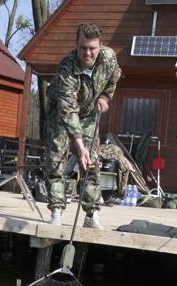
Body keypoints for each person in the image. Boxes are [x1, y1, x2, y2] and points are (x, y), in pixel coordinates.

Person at [45, 23, 121, 227]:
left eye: (92, 48)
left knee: (91, 162)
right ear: (76, 45)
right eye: (83, 48)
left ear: (100, 45)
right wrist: (80, 148)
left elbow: (114, 78)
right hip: (61, 114)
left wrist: (105, 97)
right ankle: (56, 210)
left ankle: (91, 213)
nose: (88, 53)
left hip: (88, 115)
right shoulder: (66, 67)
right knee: (57, 160)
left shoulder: (109, 58)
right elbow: (68, 111)